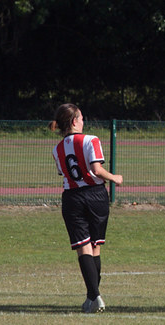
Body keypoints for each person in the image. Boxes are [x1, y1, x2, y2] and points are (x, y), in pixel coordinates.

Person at [50, 103, 123, 314]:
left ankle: (94, 297)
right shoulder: (92, 140)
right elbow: (96, 170)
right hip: (96, 196)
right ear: (74, 121)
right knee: (95, 246)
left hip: (72, 198)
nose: (83, 121)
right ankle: (93, 296)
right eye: (81, 117)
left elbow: (65, 172)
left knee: (84, 247)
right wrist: (115, 178)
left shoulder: (57, 149)